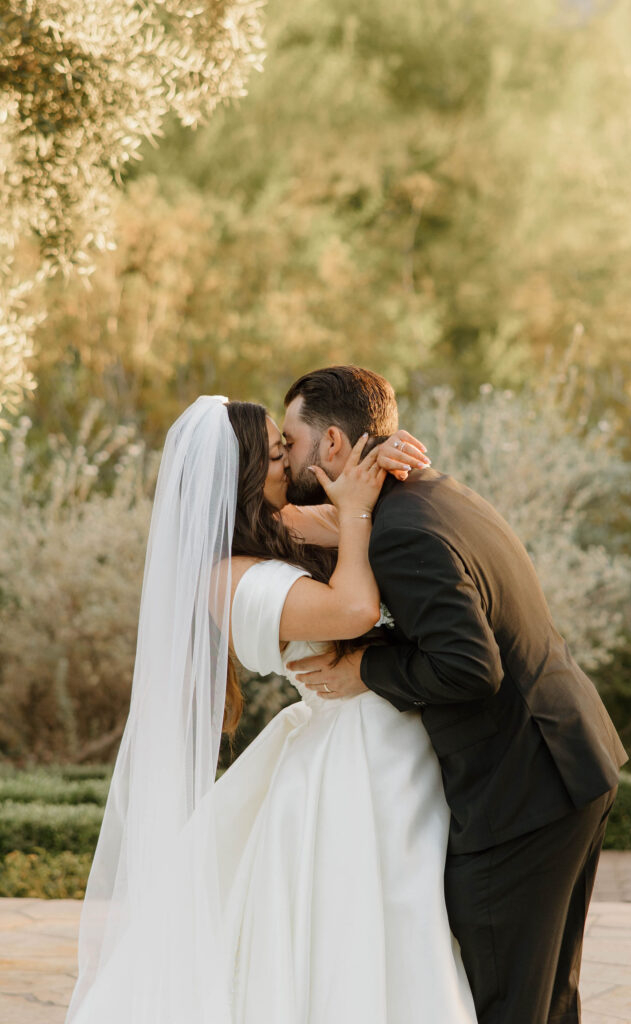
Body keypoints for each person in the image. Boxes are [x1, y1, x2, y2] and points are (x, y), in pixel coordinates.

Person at [64, 394, 477, 1024]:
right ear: (247, 469)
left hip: (383, 735)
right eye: (278, 451)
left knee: (406, 912)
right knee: (375, 918)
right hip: (354, 753)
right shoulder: (229, 577)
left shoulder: (279, 530)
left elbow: (369, 525)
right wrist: (359, 511)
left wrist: (379, 465)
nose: (291, 460)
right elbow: (355, 611)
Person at [283, 365, 629, 1024]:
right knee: (546, 1001)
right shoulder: (424, 496)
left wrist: (363, 671)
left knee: (506, 1003)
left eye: (292, 441)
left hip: (525, 794)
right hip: (567, 763)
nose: (287, 456)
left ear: (332, 444)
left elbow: (471, 667)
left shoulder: (402, 531)